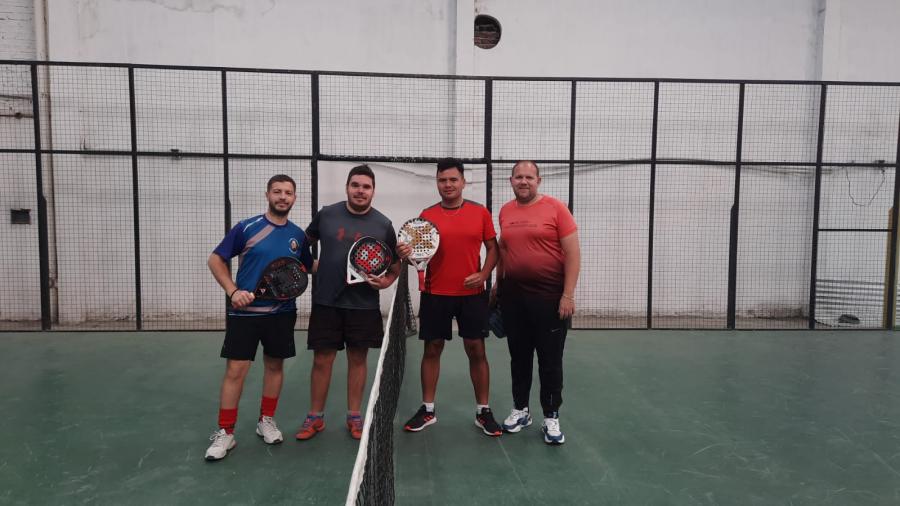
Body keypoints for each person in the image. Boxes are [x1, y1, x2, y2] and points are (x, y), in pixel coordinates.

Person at [204, 174, 313, 461]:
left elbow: (305, 267)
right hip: (244, 315)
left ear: (294, 198)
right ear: (267, 195)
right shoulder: (246, 228)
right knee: (236, 371)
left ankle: (266, 420)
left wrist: (341, 261)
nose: (282, 197)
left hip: (282, 313)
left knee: (275, 366)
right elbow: (215, 259)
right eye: (277, 191)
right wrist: (233, 291)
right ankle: (226, 432)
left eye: (288, 192)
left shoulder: (298, 236)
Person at [399, 158, 502, 437]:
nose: (448, 185)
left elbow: (493, 249)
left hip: (472, 295)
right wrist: (405, 254)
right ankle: (428, 409)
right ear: (437, 182)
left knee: (476, 350)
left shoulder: (480, 213)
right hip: (435, 294)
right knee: (432, 349)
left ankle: (483, 411)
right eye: (442, 180)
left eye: (453, 179)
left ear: (463, 182)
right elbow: (416, 254)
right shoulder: (426, 215)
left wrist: (483, 274)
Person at [296, 164, 400, 441]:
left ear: (373, 191)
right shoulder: (327, 214)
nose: (360, 191)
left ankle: (354, 416)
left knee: (358, 359)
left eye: (366, 186)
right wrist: (311, 266)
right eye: (355, 185)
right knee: (322, 360)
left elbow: (395, 265)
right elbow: (303, 243)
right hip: (326, 302)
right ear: (347, 188)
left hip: (363, 305)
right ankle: (315, 417)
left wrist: (387, 282)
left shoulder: (383, 224)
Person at [496, 160, 580, 445]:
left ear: (538, 181)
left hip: (549, 299)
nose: (523, 181)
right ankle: (521, 410)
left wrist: (568, 295)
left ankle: (551, 416)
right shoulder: (506, 211)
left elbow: (573, 254)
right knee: (519, 358)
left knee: (550, 360)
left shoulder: (556, 209)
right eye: (518, 177)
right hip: (514, 299)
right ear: (511, 181)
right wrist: (497, 285)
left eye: (529, 177)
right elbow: (504, 249)